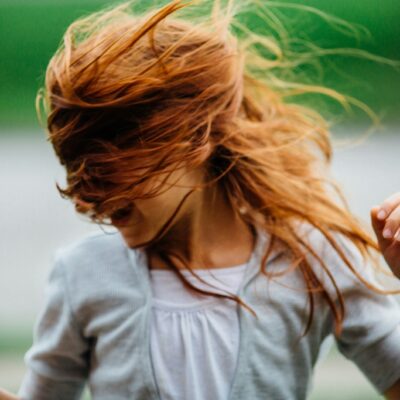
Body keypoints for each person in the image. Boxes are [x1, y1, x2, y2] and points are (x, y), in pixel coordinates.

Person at [2, 0, 400, 398]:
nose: (84, 200)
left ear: (196, 139)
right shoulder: (82, 276)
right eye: (75, 171)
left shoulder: (313, 260)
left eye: (107, 171)